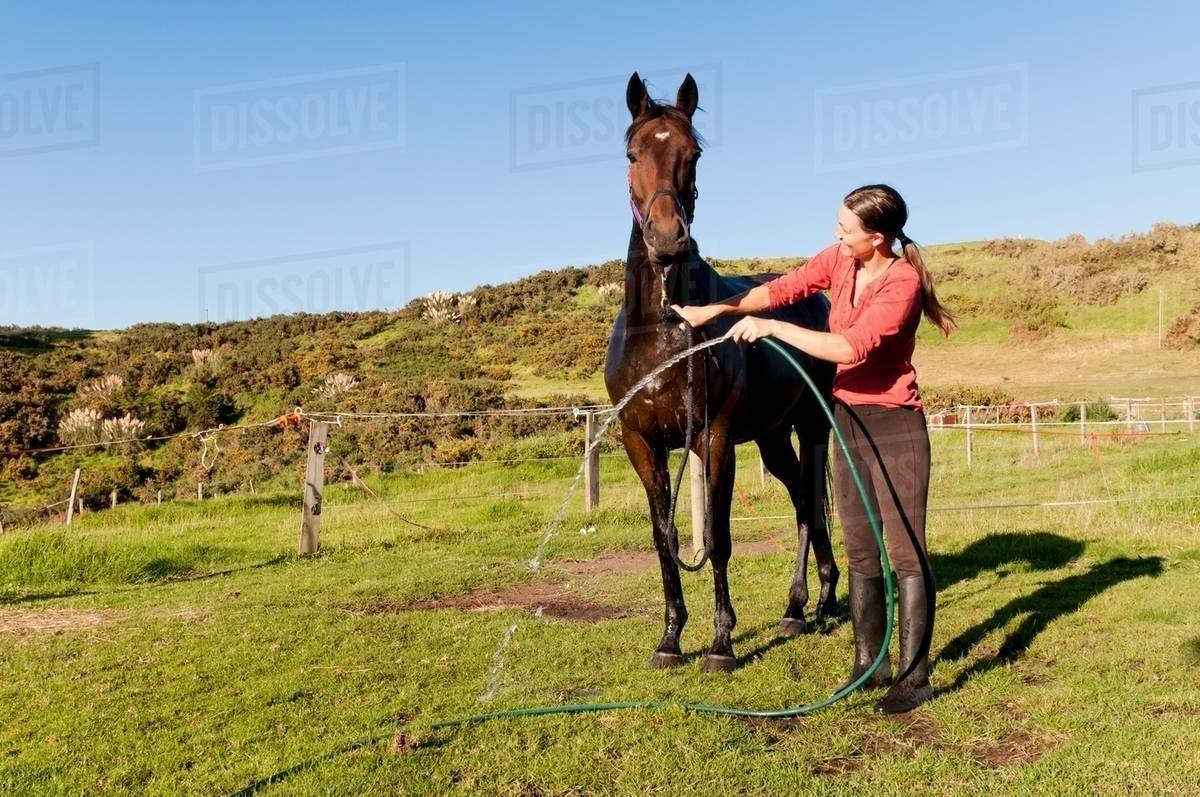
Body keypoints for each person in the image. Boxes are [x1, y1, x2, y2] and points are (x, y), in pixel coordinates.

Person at [670, 184, 956, 713]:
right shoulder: (839, 262)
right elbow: (778, 291)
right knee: (862, 551)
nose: (836, 234)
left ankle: (915, 679)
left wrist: (774, 331)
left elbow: (850, 346)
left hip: (894, 425)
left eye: (845, 228)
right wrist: (715, 311)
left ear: (876, 236)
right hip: (845, 416)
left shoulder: (903, 282)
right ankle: (870, 663)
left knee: (906, 554)